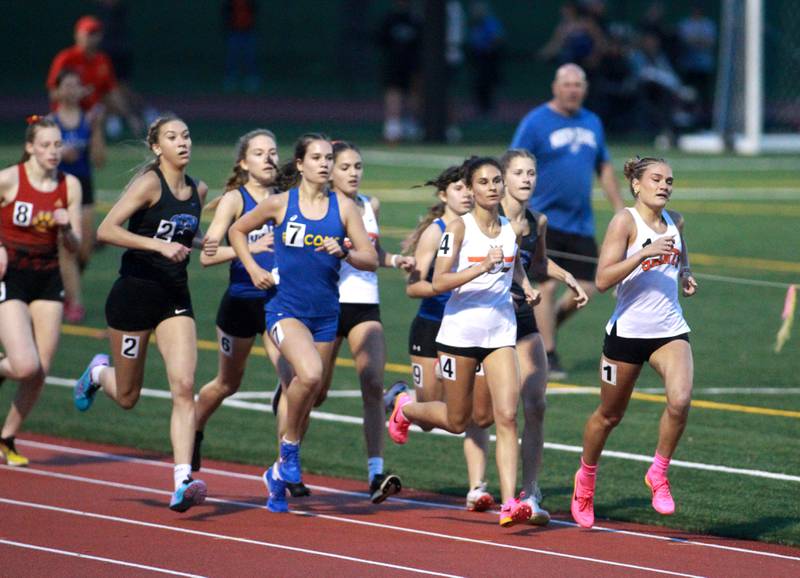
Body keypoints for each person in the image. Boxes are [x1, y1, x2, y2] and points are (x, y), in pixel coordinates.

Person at [228, 134, 377, 513]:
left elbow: (369, 258)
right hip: (285, 309)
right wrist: (252, 267)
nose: (325, 164)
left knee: (310, 393)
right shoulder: (281, 203)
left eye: (329, 158)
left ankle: (277, 475)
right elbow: (237, 231)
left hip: (327, 314)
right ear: (299, 164)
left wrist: (343, 249)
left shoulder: (344, 208)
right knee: (309, 375)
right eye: (317, 158)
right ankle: (289, 449)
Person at [387, 156, 536, 528]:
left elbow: (514, 263)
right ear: (470, 189)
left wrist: (527, 287)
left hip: (500, 333)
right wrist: (480, 268)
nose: (492, 187)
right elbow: (437, 282)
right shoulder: (457, 229)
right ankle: (405, 408)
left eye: (497, 181)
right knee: (457, 421)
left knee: (504, 416)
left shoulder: (509, 227)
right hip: (458, 335)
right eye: (483, 182)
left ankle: (508, 502)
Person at [73, 115, 209, 513]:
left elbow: (186, 236)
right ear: (156, 147)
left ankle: (182, 480)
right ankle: (98, 374)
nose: (182, 142)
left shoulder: (198, 189)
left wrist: (222, 246)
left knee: (184, 386)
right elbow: (106, 230)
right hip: (133, 295)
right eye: (172, 137)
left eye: (186, 135)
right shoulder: (150, 183)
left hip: (173, 296)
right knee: (128, 396)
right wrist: (156, 246)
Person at [570, 156, 697, 529]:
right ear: (637, 185)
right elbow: (604, 279)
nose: (664, 186)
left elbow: (678, 243)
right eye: (656, 179)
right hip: (626, 335)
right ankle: (586, 480)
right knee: (609, 416)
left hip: (669, 330)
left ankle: (658, 472)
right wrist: (642, 254)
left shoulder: (675, 221)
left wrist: (685, 271)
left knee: (681, 400)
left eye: (669, 181)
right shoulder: (625, 221)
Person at [309, 141, 413, 502]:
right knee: (315, 391)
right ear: (329, 171)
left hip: (364, 305)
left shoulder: (371, 205)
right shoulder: (319, 208)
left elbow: (371, 252)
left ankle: (375, 473)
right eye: (346, 167)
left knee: (371, 382)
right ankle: (286, 460)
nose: (353, 173)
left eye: (358, 166)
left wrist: (396, 259)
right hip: (325, 304)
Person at [510, 63, 624, 380]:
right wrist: (521, 210)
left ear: (585, 89)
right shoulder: (536, 122)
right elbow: (514, 161)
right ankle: (547, 352)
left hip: (581, 222)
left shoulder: (592, 122)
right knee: (544, 285)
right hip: (544, 220)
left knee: (587, 287)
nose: (573, 90)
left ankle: (541, 329)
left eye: (578, 85)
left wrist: (619, 208)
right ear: (555, 87)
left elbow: (604, 166)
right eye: (567, 84)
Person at [401, 165, 496, 511]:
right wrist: (456, 283)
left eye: (468, 188)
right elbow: (415, 288)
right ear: (444, 195)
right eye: (458, 188)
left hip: (470, 330)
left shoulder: (485, 228)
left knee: (475, 412)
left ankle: (476, 487)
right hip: (431, 326)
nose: (467, 194)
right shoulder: (436, 232)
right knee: (433, 413)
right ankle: (402, 402)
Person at [192, 129, 284, 472]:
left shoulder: (286, 197)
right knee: (228, 383)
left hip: (278, 302)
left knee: (293, 379)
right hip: (241, 302)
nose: (269, 158)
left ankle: (286, 464)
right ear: (244, 163)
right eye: (259, 153)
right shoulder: (235, 200)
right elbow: (207, 255)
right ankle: (195, 429)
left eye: (273, 152)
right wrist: (250, 248)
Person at [0, 116, 82, 466]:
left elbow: (76, 247)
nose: (53, 151)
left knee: (41, 368)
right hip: (12, 273)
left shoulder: (70, 186)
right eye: (46, 145)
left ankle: (6, 437)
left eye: (58, 144)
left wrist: (66, 230)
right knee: (24, 364)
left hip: (48, 276)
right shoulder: (9, 179)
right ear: (30, 147)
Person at [50, 69, 106, 323]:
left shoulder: (88, 120)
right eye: (67, 85)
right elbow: (36, 160)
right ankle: (74, 302)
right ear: (58, 91)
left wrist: (97, 129)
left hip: (84, 187)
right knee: (66, 248)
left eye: (76, 85)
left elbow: (99, 160)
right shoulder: (50, 123)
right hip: (58, 187)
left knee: (83, 249)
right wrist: (60, 154)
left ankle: (63, 286)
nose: (72, 90)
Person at [46, 15, 142, 136]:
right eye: (89, 33)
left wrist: (129, 116)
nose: (92, 38)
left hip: (92, 119)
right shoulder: (66, 58)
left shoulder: (102, 60)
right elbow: (53, 93)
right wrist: (75, 94)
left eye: (96, 33)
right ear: (78, 35)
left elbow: (111, 93)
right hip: (65, 119)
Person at [377, 0, 422, 142]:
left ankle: (411, 124)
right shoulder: (389, 18)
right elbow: (380, 40)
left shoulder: (416, 19)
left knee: (414, 92)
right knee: (393, 92)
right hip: (393, 63)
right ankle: (393, 127)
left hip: (412, 64)